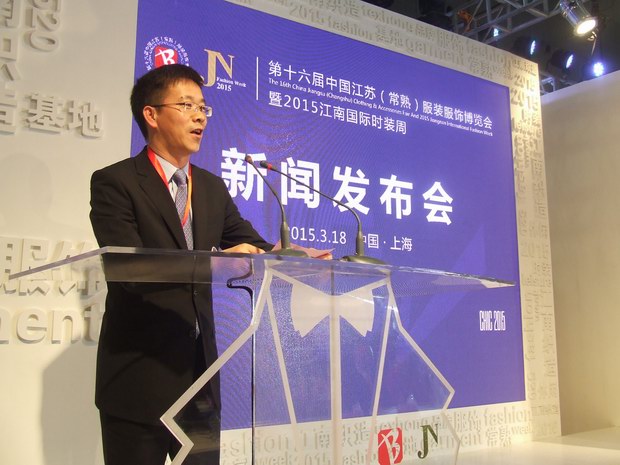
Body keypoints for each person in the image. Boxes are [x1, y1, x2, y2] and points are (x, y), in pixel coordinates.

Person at [89, 63, 272, 465]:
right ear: (151, 115)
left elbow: (250, 243)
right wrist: (214, 265)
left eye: (203, 107)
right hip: (138, 378)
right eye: (187, 105)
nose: (199, 117)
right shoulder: (116, 182)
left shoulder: (210, 187)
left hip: (199, 379)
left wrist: (291, 255)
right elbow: (129, 271)